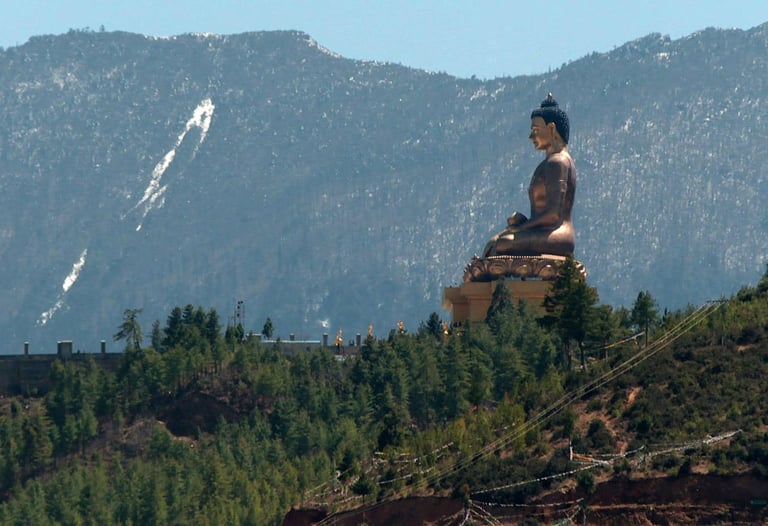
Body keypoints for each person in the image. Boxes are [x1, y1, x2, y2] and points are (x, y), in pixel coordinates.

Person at [482, 93, 576, 257]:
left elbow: (553, 215)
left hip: (556, 233)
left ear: (551, 128)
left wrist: (519, 229)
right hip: (542, 232)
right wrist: (523, 222)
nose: (531, 137)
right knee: (496, 245)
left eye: (535, 130)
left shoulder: (558, 162)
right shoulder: (549, 163)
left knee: (502, 244)